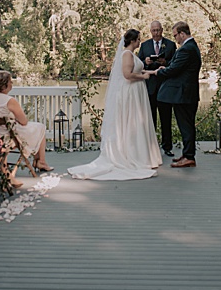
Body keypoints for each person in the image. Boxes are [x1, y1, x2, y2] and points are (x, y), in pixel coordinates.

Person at [67, 29, 162, 180]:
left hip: (136, 92)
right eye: (138, 39)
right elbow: (127, 75)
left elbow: (137, 69)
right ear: (132, 41)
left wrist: (152, 72)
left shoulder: (131, 55)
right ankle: (132, 155)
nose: (139, 42)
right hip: (130, 93)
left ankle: (142, 154)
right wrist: (143, 76)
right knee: (131, 122)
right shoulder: (126, 54)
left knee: (137, 123)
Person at [149, 20, 202, 168]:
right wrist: (164, 65)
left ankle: (189, 157)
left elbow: (174, 70)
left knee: (186, 126)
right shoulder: (190, 47)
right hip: (186, 93)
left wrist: (159, 71)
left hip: (184, 94)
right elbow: (174, 65)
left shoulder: (187, 49)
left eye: (175, 36)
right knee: (185, 125)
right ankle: (186, 154)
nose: (175, 39)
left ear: (182, 34)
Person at [0, 70, 53, 173]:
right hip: (8, 137)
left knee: (36, 129)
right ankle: (41, 162)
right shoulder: (9, 101)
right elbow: (24, 122)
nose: (11, 84)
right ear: (5, 85)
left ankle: (39, 160)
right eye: (10, 81)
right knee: (41, 128)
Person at [139, 20, 177, 155]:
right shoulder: (144, 45)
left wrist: (165, 62)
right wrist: (146, 62)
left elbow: (175, 64)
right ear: (150, 31)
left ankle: (167, 147)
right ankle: (151, 147)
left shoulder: (171, 45)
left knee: (166, 118)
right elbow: (139, 64)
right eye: (153, 30)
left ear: (162, 30)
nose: (156, 33)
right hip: (150, 87)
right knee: (150, 119)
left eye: (158, 30)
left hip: (165, 86)